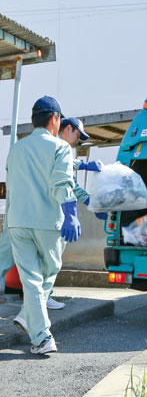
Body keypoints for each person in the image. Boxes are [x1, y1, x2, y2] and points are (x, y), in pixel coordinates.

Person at [0, 117, 106, 310]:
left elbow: (69, 183)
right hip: (41, 215)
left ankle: (38, 303)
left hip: (19, 214)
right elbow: (63, 180)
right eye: (77, 135)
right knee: (44, 261)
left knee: (24, 260)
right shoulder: (54, 146)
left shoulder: (35, 146)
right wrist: (82, 168)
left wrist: (90, 201)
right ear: (67, 128)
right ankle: (37, 304)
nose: (77, 141)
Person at [6, 96, 80, 355]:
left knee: (31, 279)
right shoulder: (60, 147)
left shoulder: (16, 148)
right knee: (48, 273)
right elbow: (62, 183)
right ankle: (37, 328)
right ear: (55, 119)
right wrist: (70, 212)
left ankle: (38, 333)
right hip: (47, 222)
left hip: (16, 222)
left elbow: (12, 184)